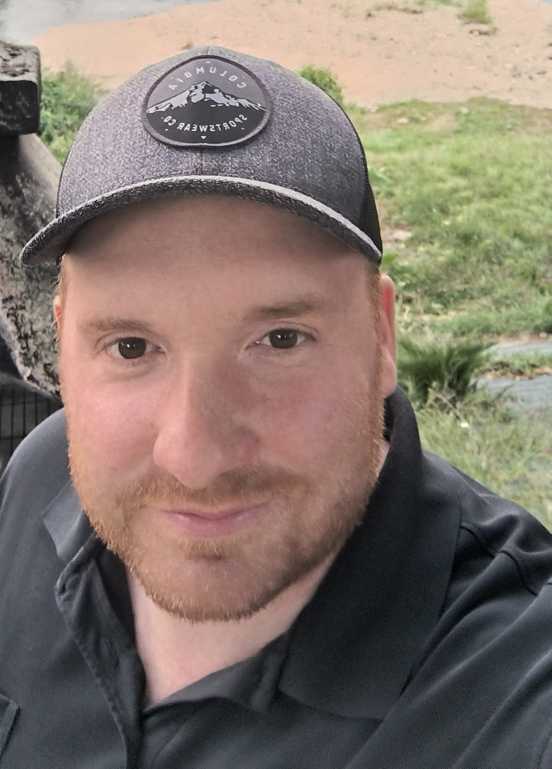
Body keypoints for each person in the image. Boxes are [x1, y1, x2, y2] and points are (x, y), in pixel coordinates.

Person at [1, 45, 552, 769]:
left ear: (382, 336)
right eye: (131, 347)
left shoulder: (515, 686)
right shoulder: (40, 477)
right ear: (64, 341)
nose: (195, 458)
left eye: (280, 339)